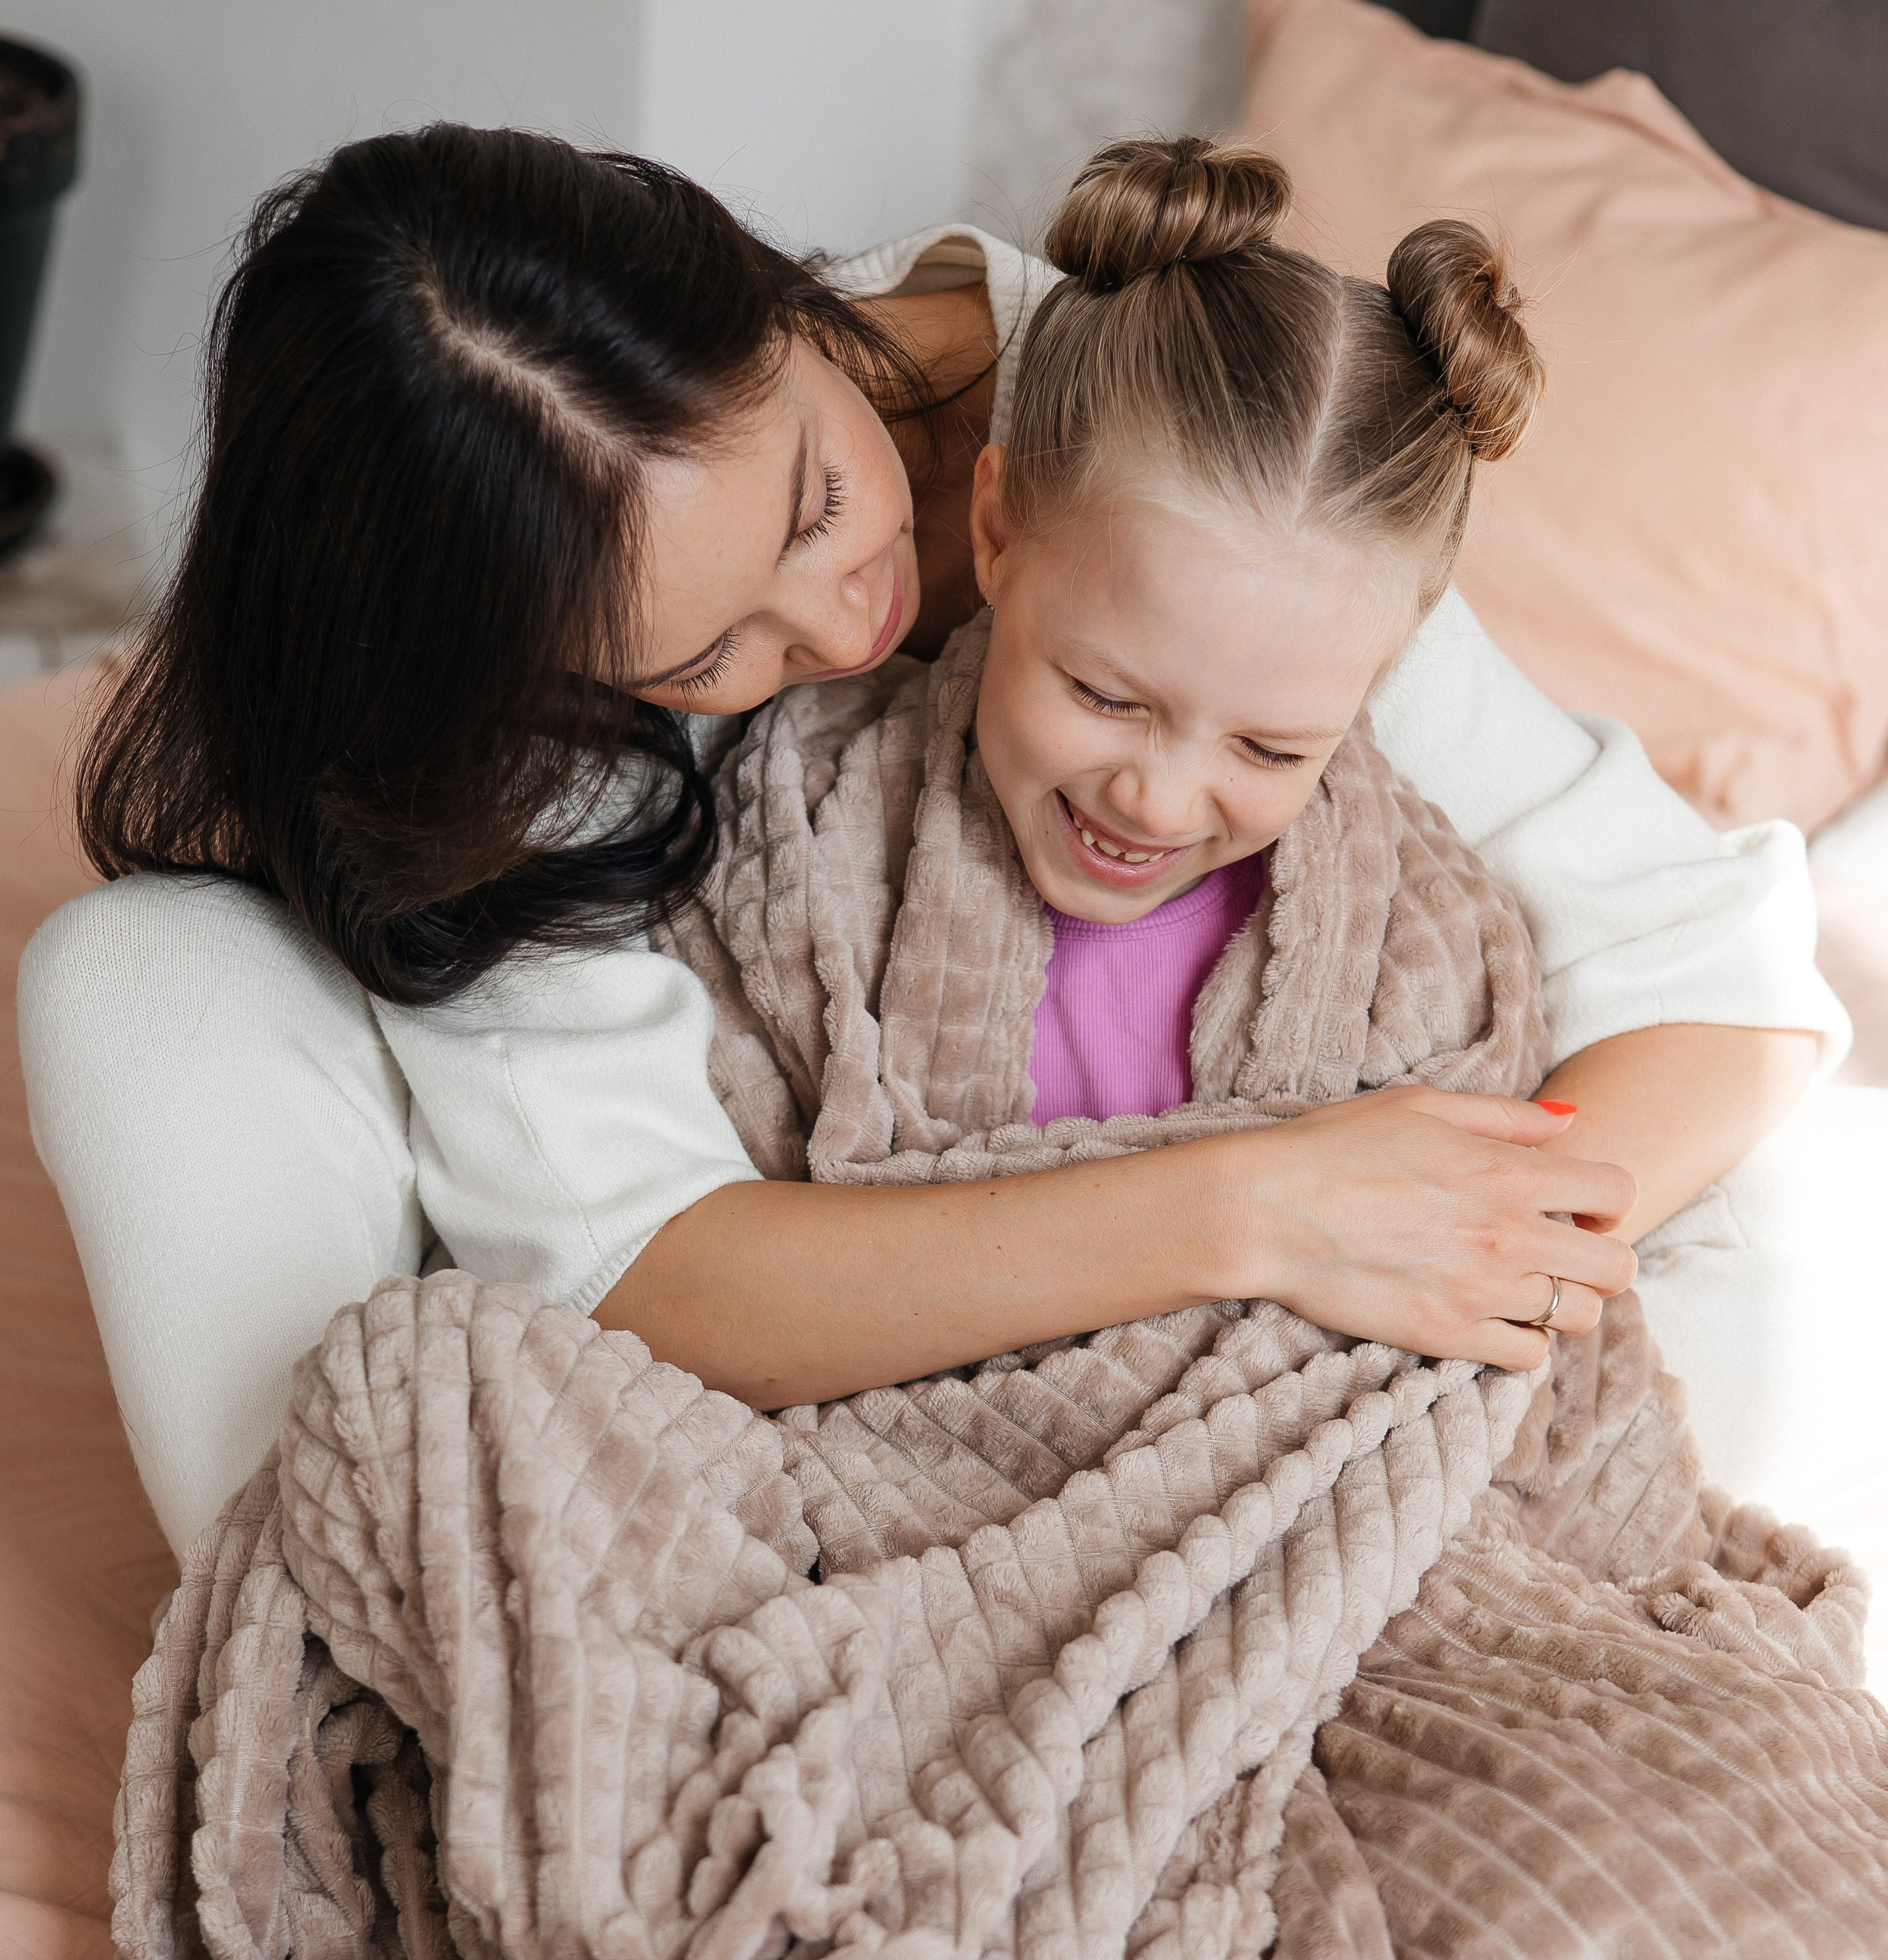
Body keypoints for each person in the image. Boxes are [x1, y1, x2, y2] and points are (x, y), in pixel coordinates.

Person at [18, 124, 1844, 1560]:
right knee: (128, 981)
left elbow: (1717, 992)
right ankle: (395, 1691)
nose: (834, 624)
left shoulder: (1183, 432)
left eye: (818, 496)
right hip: (773, 1279)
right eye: (701, 659)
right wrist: (1259, 1212)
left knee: (1738, 1252)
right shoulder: (504, 712)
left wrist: (1406, 1252)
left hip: (1245, 1351)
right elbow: (634, 1263)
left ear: (783, 301)